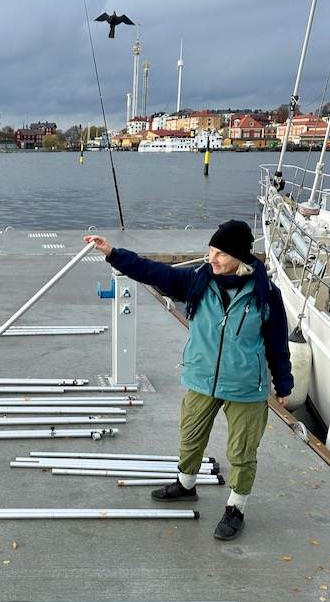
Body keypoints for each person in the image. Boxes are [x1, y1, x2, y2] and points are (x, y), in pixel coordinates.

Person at [84, 220, 293, 541]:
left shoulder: (265, 295)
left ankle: (236, 507)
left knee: (241, 451)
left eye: (220, 253)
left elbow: (277, 340)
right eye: (210, 251)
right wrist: (112, 253)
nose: (212, 258)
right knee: (191, 435)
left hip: (246, 386)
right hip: (202, 377)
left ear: (239, 256)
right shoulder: (197, 282)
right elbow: (152, 272)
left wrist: (283, 383)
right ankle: (186, 485)